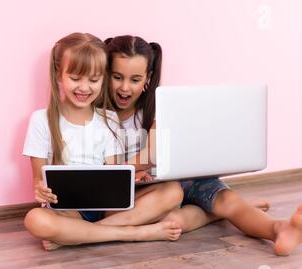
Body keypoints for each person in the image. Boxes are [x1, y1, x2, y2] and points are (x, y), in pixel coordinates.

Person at [102, 35, 302, 256]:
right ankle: (218, 213)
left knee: (228, 201)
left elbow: (150, 155)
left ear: (147, 78)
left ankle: (279, 229)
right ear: (106, 74)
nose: (124, 87)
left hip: (177, 177)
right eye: (118, 77)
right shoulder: (99, 114)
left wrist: (130, 169)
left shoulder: (158, 106)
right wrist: (132, 173)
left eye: (135, 80)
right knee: (174, 221)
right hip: (153, 191)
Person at [23, 33, 187, 251]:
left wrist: (134, 177)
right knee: (35, 219)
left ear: (103, 78)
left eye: (93, 80)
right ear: (58, 74)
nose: (84, 88)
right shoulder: (40, 120)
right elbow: (38, 179)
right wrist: (40, 190)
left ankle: (77, 235)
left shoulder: (109, 119)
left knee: (174, 191)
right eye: (75, 78)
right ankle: (134, 233)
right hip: (67, 210)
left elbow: (113, 171)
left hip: (108, 208)